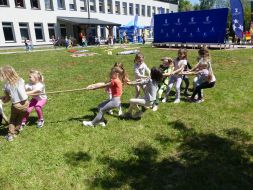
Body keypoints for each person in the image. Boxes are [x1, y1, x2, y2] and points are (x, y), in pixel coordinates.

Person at [0, 66, 29, 141]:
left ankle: (10, 135)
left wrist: (3, 99)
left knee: (12, 120)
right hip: (26, 103)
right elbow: (24, 90)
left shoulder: (7, 85)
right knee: (20, 118)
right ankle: (16, 132)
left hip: (16, 105)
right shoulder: (21, 80)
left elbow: (7, 99)